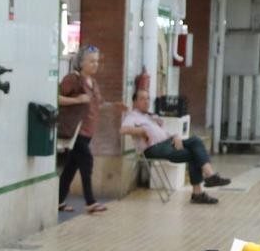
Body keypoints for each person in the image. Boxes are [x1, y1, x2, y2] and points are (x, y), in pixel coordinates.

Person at [120, 85, 229, 205]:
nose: (146, 102)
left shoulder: (150, 116)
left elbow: (162, 133)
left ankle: (209, 178)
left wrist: (175, 136)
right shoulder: (132, 116)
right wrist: (142, 131)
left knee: (196, 141)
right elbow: (123, 130)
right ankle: (202, 188)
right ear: (135, 102)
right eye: (142, 99)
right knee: (195, 153)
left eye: (148, 99)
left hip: (168, 142)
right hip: (154, 148)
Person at [57, 45, 108, 214]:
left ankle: (58, 200)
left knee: (71, 167)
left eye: (97, 61)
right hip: (76, 130)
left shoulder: (93, 83)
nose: (95, 65)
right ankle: (90, 202)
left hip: (88, 132)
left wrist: (116, 107)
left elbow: (98, 104)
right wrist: (77, 99)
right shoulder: (73, 79)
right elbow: (56, 97)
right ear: (81, 62)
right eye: (91, 61)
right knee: (87, 161)